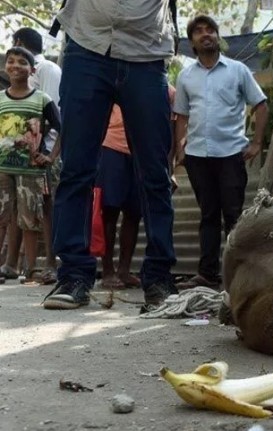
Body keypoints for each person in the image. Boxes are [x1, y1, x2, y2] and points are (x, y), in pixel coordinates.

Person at [42, 1, 177, 311]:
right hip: (87, 45)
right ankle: (74, 276)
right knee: (76, 169)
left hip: (147, 51)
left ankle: (158, 278)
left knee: (155, 174)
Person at [173, 15, 268, 290]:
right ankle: (207, 273)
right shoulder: (185, 76)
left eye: (210, 30)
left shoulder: (237, 70)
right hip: (198, 156)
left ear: (217, 36)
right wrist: (180, 148)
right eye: (199, 31)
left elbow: (260, 105)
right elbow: (180, 114)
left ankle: (239, 275)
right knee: (208, 215)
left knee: (234, 215)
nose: (206, 34)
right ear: (192, 41)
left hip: (230, 154)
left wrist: (257, 142)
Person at [98, 85, 176, 290]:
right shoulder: (114, 79)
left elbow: (170, 126)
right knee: (109, 210)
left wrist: (169, 164)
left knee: (134, 212)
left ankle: (124, 270)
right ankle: (107, 271)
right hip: (112, 146)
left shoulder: (168, 90)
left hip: (144, 152)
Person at [0, 28, 62, 284]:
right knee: (4, 215)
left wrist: (51, 156)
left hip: (32, 168)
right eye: (11, 61)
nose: (15, 66)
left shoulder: (42, 98)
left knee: (31, 217)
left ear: (32, 69)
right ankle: (9, 266)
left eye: (22, 62)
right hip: (4, 168)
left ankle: (33, 267)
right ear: (5, 67)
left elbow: (62, 127)